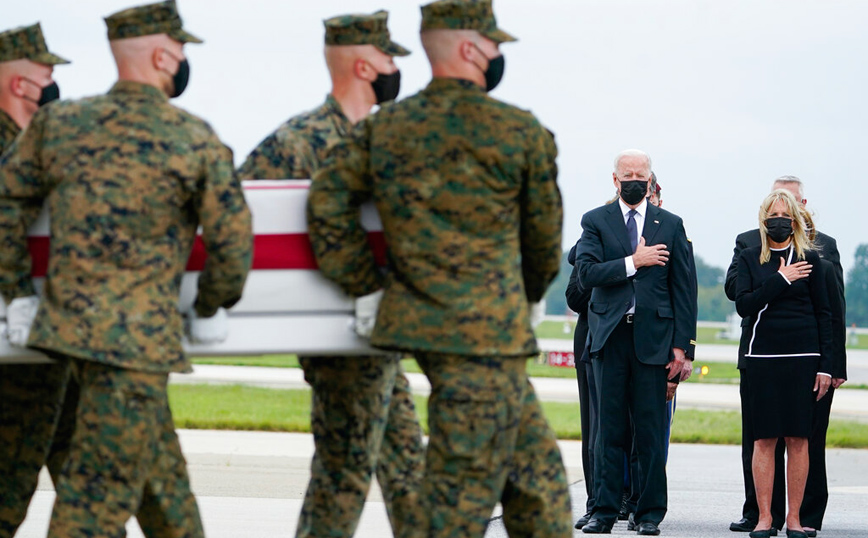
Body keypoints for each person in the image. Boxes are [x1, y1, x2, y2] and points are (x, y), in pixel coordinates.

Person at [307, 1, 572, 535]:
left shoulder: (386, 128)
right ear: (470, 49)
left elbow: (326, 203)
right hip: (485, 334)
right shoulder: (517, 130)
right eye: (492, 44)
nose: (497, 53)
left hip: (427, 323)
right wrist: (525, 294)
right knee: (457, 501)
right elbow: (544, 240)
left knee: (539, 487)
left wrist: (365, 283)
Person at [0, 2, 253, 536]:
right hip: (137, 345)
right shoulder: (192, 136)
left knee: (168, 497)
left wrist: (19, 292)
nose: (182, 59)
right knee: (92, 507)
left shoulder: (58, 125)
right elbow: (233, 244)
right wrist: (210, 304)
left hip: (66, 334)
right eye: (179, 49)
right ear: (162, 56)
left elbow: (5, 206)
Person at [239, 11, 425, 538]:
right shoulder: (298, 142)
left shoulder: (385, 138)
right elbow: (240, 219)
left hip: (378, 336)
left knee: (408, 470)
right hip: (333, 338)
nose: (395, 69)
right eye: (388, 58)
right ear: (364, 66)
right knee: (343, 475)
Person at [575, 149, 697, 536]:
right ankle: (604, 511)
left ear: (650, 180)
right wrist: (635, 261)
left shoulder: (671, 224)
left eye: (640, 176)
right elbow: (587, 273)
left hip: (653, 341)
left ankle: (648, 513)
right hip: (610, 338)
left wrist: (683, 348)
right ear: (615, 180)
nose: (633, 181)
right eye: (626, 175)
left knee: (649, 432)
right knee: (608, 432)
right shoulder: (596, 221)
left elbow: (683, 290)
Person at [725, 176, 846, 536]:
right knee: (762, 440)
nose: (779, 220)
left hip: (803, 359)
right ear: (764, 218)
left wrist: (829, 365)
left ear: (796, 217)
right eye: (772, 214)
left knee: (799, 440)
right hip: (762, 358)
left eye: (785, 214)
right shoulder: (749, 255)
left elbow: (828, 312)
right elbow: (743, 302)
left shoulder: (815, 257)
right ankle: (764, 517)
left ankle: (796, 519)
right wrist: (781, 278)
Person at [0, 22, 71, 537]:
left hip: (56, 342)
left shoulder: (36, 145)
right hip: (15, 350)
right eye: (45, 74)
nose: (53, 85)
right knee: (8, 486)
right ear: (18, 83)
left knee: (90, 485)